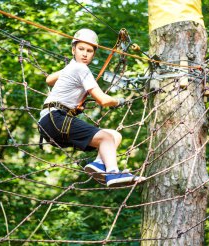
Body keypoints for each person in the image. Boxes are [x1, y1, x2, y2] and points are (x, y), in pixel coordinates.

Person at [38, 28, 145, 187]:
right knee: (105, 138)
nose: (85, 54)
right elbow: (102, 100)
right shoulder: (81, 68)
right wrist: (119, 101)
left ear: (93, 54)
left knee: (113, 136)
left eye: (89, 51)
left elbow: (49, 80)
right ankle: (113, 173)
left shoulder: (72, 67)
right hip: (55, 118)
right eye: (81, 49)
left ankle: (99, 165)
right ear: (73, 49)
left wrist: (69, 69)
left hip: (51, 123)